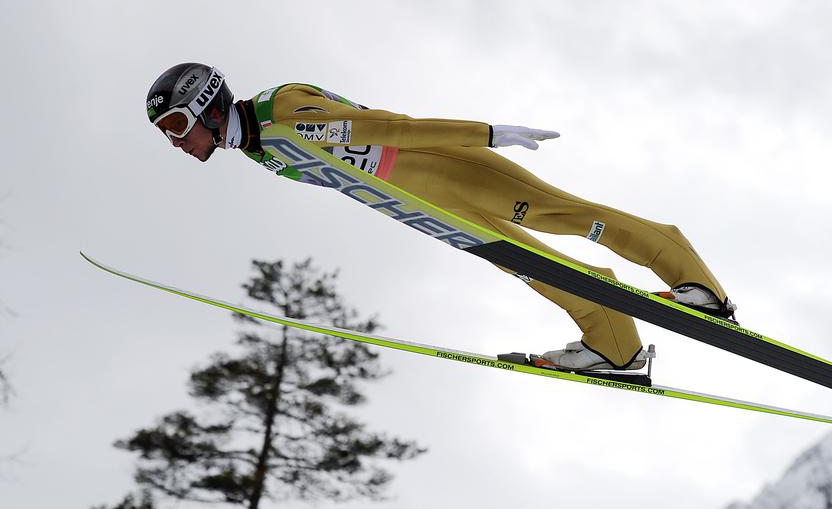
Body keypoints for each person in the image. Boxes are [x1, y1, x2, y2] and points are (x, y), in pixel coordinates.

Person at [146, 63, 736, 372]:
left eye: (175, 125)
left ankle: (695, 283)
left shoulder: (282, 113)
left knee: (564, 216)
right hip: (428, 201)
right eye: (165, 133)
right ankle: (615, 345)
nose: (175, 142)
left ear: (207, 105)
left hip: (449, 167)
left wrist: (484, 133)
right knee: (529, 266)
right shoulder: (260, 148)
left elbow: (389, 128)